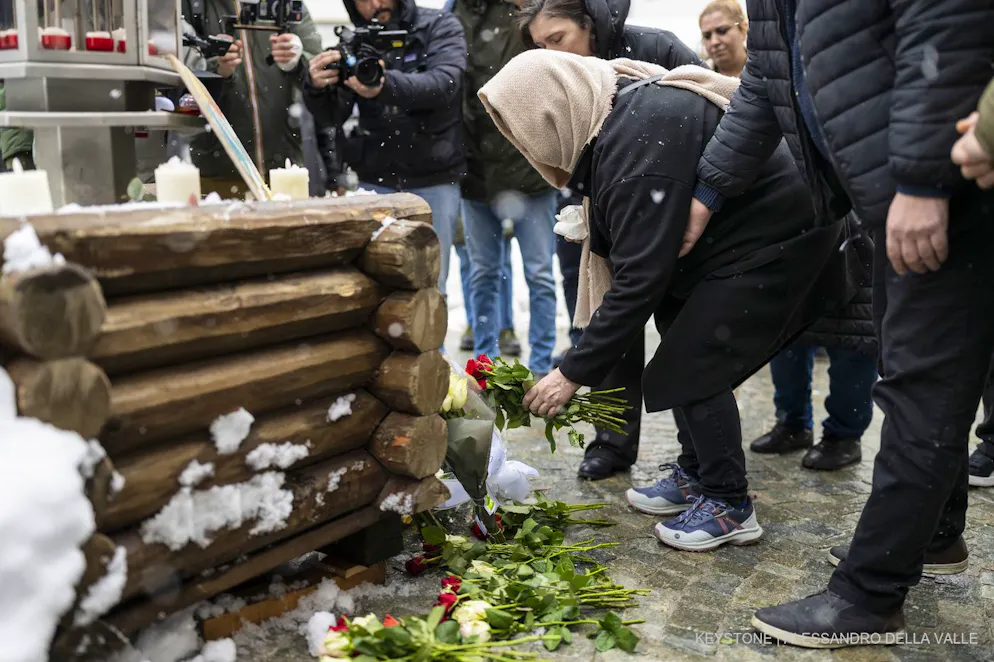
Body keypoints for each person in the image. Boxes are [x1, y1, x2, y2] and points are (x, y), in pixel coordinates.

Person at [482, 49, 859, 551]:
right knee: (681, 335)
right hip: (741, 236)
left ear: (554, 112)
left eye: (526, 130)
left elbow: (639, 279)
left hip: (783, 234)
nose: (531, 147)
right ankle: (696, 470)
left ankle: (728, 503)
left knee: (692, 360)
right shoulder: (618, 116)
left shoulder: (634, 147)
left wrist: (571, 372)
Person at [706, 1, 994, 647]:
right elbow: (769, 78)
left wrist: (925, 179)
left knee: (923, 387)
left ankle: (870, 597)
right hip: (887, 190)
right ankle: (936, 535)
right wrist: (708, 189)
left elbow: (944, 17)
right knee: (913, 371)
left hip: (941, 185)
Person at [517, 0, 703, 479]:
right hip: (589, 208)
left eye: (557, 40)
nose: (552, 53)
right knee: (601, 317)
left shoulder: (655, 46)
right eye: (540, 47)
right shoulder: (553, 71)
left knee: (681, 333)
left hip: (671, 212)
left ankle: (696, 451)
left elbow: (712, 110)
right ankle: (612, 443)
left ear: (589, 25)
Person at [304, 0, 466, 296]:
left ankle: (432, 344)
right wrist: (315, 86)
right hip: (375, 178)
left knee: (430, 281)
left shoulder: (440, 25)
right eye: (364, 0)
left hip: (434, 176)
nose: (376, 4)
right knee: (376, 279)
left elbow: (444, 84)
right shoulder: (355, 40)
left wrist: (385, 85)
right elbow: (333, 115)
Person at [451, 0, 559, 378]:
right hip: (476, 171)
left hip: (531, 168)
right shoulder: (454, 11)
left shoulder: (523, 7)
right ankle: (484, 368)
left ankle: (543, 367)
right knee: (483, 272)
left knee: (540, 272)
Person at [181, 0, 322, 197]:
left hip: (284, 170)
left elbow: (320, 73)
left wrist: (297, 61)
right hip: (219, 170)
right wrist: (217, 69)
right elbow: (179, 74)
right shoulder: (195, 5)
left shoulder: (286, 3)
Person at [698, 0, 747, 77]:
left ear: (742, 29)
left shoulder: (767, 70)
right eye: (707, 36)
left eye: (722, 31)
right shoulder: (698, 78)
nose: (714, 42)